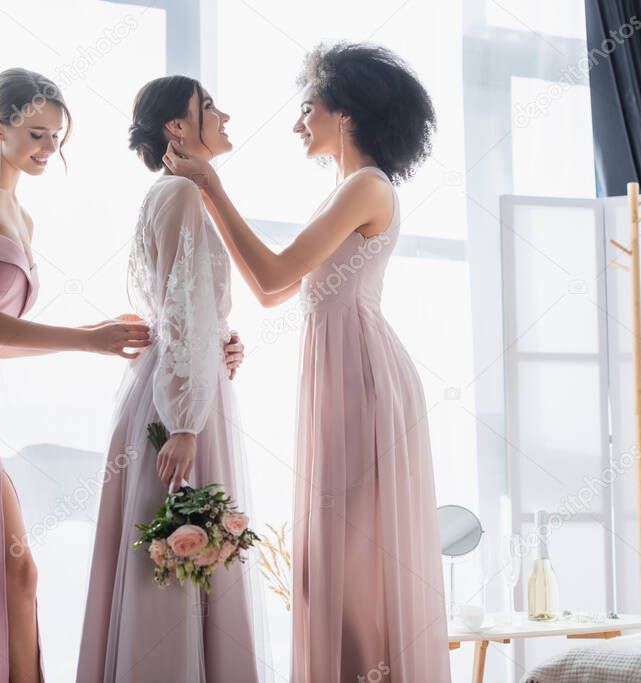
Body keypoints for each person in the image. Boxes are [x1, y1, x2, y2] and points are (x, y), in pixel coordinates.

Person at [0, 67, 242, 683]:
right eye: (34, 134)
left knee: (19, 569)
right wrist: (88, 340)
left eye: (55, 139)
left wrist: (102, 339)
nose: (45, 150)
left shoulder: (20, 216)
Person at [164, 43, 452, 682]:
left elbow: (272, 273)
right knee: (330, 569)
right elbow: (271, 291)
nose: (298, 125)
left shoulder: (367, 186)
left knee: (345, 571)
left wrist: (210, 185)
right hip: (339, 370)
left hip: (363, 376)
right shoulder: (346, 190)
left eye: (308, 110)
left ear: (345, 115)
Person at [76, 75, 267, 683]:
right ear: (177, 127)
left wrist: (220, 342)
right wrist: (185, 420)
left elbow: (184, 310)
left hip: (178, 385)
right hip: (177, 404)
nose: (225, 113)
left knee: (180, 556)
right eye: (210, 106)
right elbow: (181, 309)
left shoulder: (173, 193)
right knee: (177, 555)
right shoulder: (181, 195)